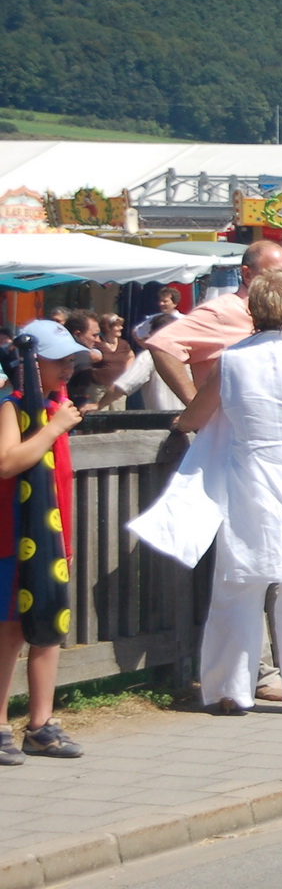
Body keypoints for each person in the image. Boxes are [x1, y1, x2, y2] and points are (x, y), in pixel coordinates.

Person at [135, 272, 282, 715]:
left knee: (237, 586)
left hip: (250, 481)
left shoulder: (231, 361)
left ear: (252, 313)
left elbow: (197, 415)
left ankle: (227, 689)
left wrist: (180, 426)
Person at [0, 321, 88, 762]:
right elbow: (7, 461)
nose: (68, 366)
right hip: (14, 540)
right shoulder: (12, 406)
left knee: (48, 629)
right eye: (58, 360)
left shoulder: (59, 404)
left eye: (71, 358)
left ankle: (41, 723)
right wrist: (53, 429)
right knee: (10, 631)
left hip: (53, 540)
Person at [145, 241, 282, 405]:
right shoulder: (223, 311)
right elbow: (162, 345)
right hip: (229, 426)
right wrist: (195, 407)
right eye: (277, 274)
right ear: (247, 275)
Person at [100, 312, 185, 411]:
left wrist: (99, 405)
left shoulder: (148, 356)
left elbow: (125, 384)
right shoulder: (191, 353)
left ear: (153, 334)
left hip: (161, 421)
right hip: (194, 421)